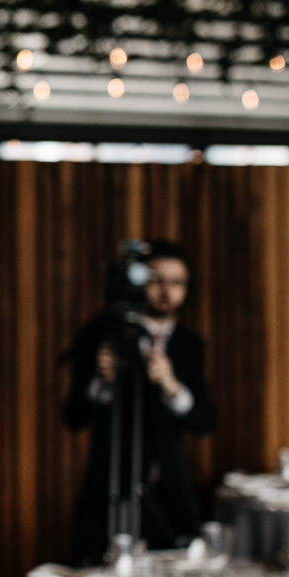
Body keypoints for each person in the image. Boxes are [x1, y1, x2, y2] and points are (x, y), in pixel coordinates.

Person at [61, 239, 216, 559]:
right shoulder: (102, 335)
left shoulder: (189, 345)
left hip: (168, 491)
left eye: (176, 283)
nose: (165, 291)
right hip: (107, 486)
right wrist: (101, 381)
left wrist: (172, 385)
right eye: (156, 280)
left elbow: (204, 421)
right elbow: (73, 416)